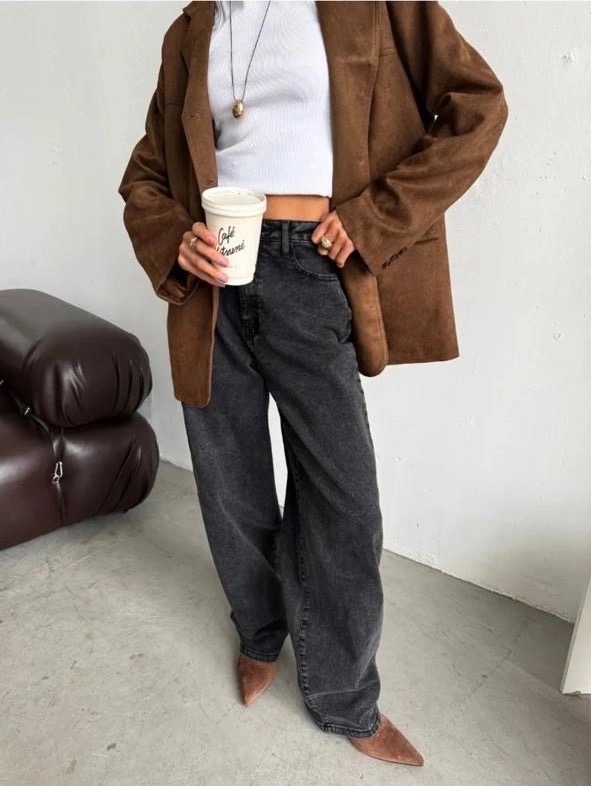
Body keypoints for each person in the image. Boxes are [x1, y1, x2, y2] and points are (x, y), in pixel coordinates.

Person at [118, 0, 508, 766]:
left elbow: (477, 105)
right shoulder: (193, 27)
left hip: (315, 269)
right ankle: (260, 632)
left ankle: (341, 694)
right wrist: (173, 240)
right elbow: (146, 173)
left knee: (342, 499)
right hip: (214, 281)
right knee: (229, 479)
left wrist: (374, 219)